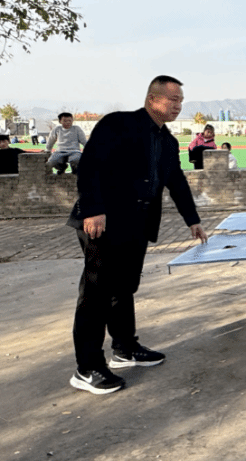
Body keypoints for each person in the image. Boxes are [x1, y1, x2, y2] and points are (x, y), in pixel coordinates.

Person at [67, 75, 208, 395]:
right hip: (102, 222)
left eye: (181, 101)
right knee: (96, 294)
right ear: (152, 99)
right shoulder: (118, 124)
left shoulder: (167, 141)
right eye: (173, 99)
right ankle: (87, 368)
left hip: (137, 226)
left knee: (124, 288)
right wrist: (93, 209)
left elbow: (176, 181)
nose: (178, 106)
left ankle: (125, 348)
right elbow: (90, 166)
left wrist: (192, 220)